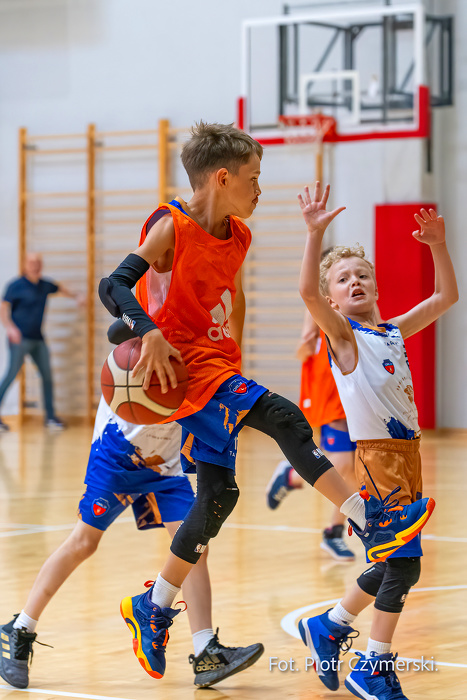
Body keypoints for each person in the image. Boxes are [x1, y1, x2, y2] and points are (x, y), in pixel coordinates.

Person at [98, 122, 435, 681]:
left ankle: (151, 607)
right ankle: (366, 520)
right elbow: (113, 285)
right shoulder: (171, 225)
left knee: (218, 498)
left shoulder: (238, 236)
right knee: (285, 417)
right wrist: (147, 330)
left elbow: (233, 295)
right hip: (182, 372)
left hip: (215, 368)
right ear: (222, 178)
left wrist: (234, 361)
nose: (260, 189)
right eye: (253, 179)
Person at [0, 320, 263, 691]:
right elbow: (116, 330)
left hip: (165, 462)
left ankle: (206, 651)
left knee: (196, 548)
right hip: (118, 452)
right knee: (83, 543)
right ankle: (19, 628)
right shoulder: (155, 322)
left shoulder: (209, 343)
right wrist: (147, 330)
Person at [296, 183, 458, 699]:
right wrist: (315, 234)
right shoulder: (344, 338)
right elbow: (307, 293)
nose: (355, 281)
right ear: (333, 300)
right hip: (378, 461)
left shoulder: (391, 331)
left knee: (393, 561)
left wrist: (437, 246)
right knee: (405, 563)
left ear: (376, 285)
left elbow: (446, 298)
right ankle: (373, 664)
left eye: (362, 274)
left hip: (408, 456)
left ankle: (331, 625)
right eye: (343, 279)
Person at [266, 305, 358, 562]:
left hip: (357, 389)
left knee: (354, 470)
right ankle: (293, 476)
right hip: (333, 391)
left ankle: (333, 531)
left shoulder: (364, 301)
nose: (354, 284)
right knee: (343, 463)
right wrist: (309, 343)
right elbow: (305, 345)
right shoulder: (322, 304)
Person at [0, 253, 84, 431]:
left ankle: (50, 418)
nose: (35, 265)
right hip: (19, 339)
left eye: (38, 262)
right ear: (25, 265)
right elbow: (3, 308)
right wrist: (10, 328)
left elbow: (59, 288)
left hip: (38, 339)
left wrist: (76, 296)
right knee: (11, 375)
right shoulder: (15, 286)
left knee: (47, 376)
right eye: (31, 262)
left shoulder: (44, 285)